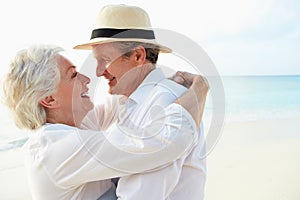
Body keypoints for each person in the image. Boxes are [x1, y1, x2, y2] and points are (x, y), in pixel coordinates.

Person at [2, 44, 209, 200]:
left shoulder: (74, 124)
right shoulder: (55, 147)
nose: (88, 78)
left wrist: (147, 79)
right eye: (73, 75)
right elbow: (164, 143)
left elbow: (118, 101)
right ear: (49, 99)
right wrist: (199, 89)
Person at [74, 4, 208, 200]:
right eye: (97, 60)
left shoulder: (166, 101)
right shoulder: (127, 101)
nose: (98, 72)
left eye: (105, 59)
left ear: (138, 56)